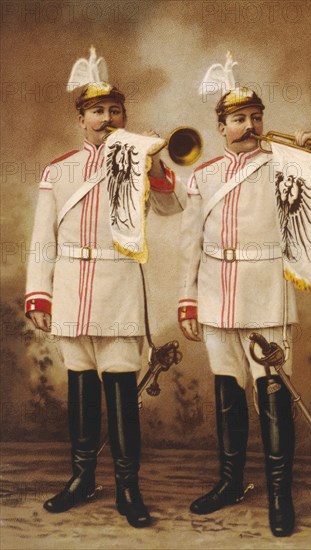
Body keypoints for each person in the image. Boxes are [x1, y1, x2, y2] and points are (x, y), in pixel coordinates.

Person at [25, 82, 183, 528]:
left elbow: (173, 206)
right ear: (81, 119)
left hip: (119, 285)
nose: (107, 119)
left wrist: (154, 163)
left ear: (125, 118)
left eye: (115, 110)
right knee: (80, 389)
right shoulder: (58, 171)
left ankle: (128, 487)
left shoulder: (140, 163)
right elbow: (43, 240)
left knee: (120, 392)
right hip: (72, 286)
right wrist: (40, 292)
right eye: (97, 111)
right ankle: (81, 479)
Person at [178, 86, 311, 537]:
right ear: (221, 127)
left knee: (273, 395)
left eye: (256, 117)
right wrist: (188, 298)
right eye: (239, 119)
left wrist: (310, 158)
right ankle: (231, 483)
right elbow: (189, 244)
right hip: (216, 294)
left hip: (266, 294)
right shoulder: (203, 175)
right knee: (227, 394)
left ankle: (280, 497)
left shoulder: (285, 163)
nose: (250, 127)